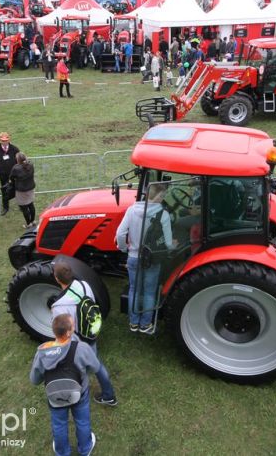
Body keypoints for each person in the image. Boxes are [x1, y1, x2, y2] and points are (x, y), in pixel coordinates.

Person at [50, 261, 117, 407]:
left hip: (77, 343)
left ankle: (78, 397)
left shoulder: (59, 306)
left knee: (77, 371)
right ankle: (108, 395)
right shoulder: (84, 284)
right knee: (96, 364)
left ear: (56, 279)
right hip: (91, 333)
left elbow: (63, 332)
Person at [30, 313, 98, 456]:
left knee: (59, 424)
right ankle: (85, 448)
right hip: (80, 393)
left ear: (54, 331)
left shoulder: (42, 352)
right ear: (68, 332)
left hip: (55, 396)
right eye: (73, 325)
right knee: (82, 420)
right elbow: (94, 367)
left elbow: (35, 379)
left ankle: (62, 452)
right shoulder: (82, 348)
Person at [115, 182, 175, 333]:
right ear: (157, 196)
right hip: (152, 259)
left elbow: (120, 234)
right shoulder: (164, 215)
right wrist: (173, 244)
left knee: (134, 289)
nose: (163, 198)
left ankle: (134, 323)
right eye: (162, 195)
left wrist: (123, 248)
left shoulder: (132, 210)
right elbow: (167, 243)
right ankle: (145, 324)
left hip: (133, 257)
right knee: (149, 291)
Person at [0, 132, 20, 216]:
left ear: (9, 139)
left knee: (18, 190)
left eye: (6, 140)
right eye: (2, 140)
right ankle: (5, 207)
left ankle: (21, 205)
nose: (4, 142)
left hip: (15, 176)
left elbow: (19, 160)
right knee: (5, 191)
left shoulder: (15, 149)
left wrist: (17, 171)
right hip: (3, 177)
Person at [9, 152, 37, 228]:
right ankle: (33, 221)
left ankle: (28, 224)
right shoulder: (30, 165)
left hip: (21, 190)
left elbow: (11, 177)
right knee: (31, 204)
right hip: (30, 188)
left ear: (18, 160)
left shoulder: (16, 168)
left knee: (24, 207)